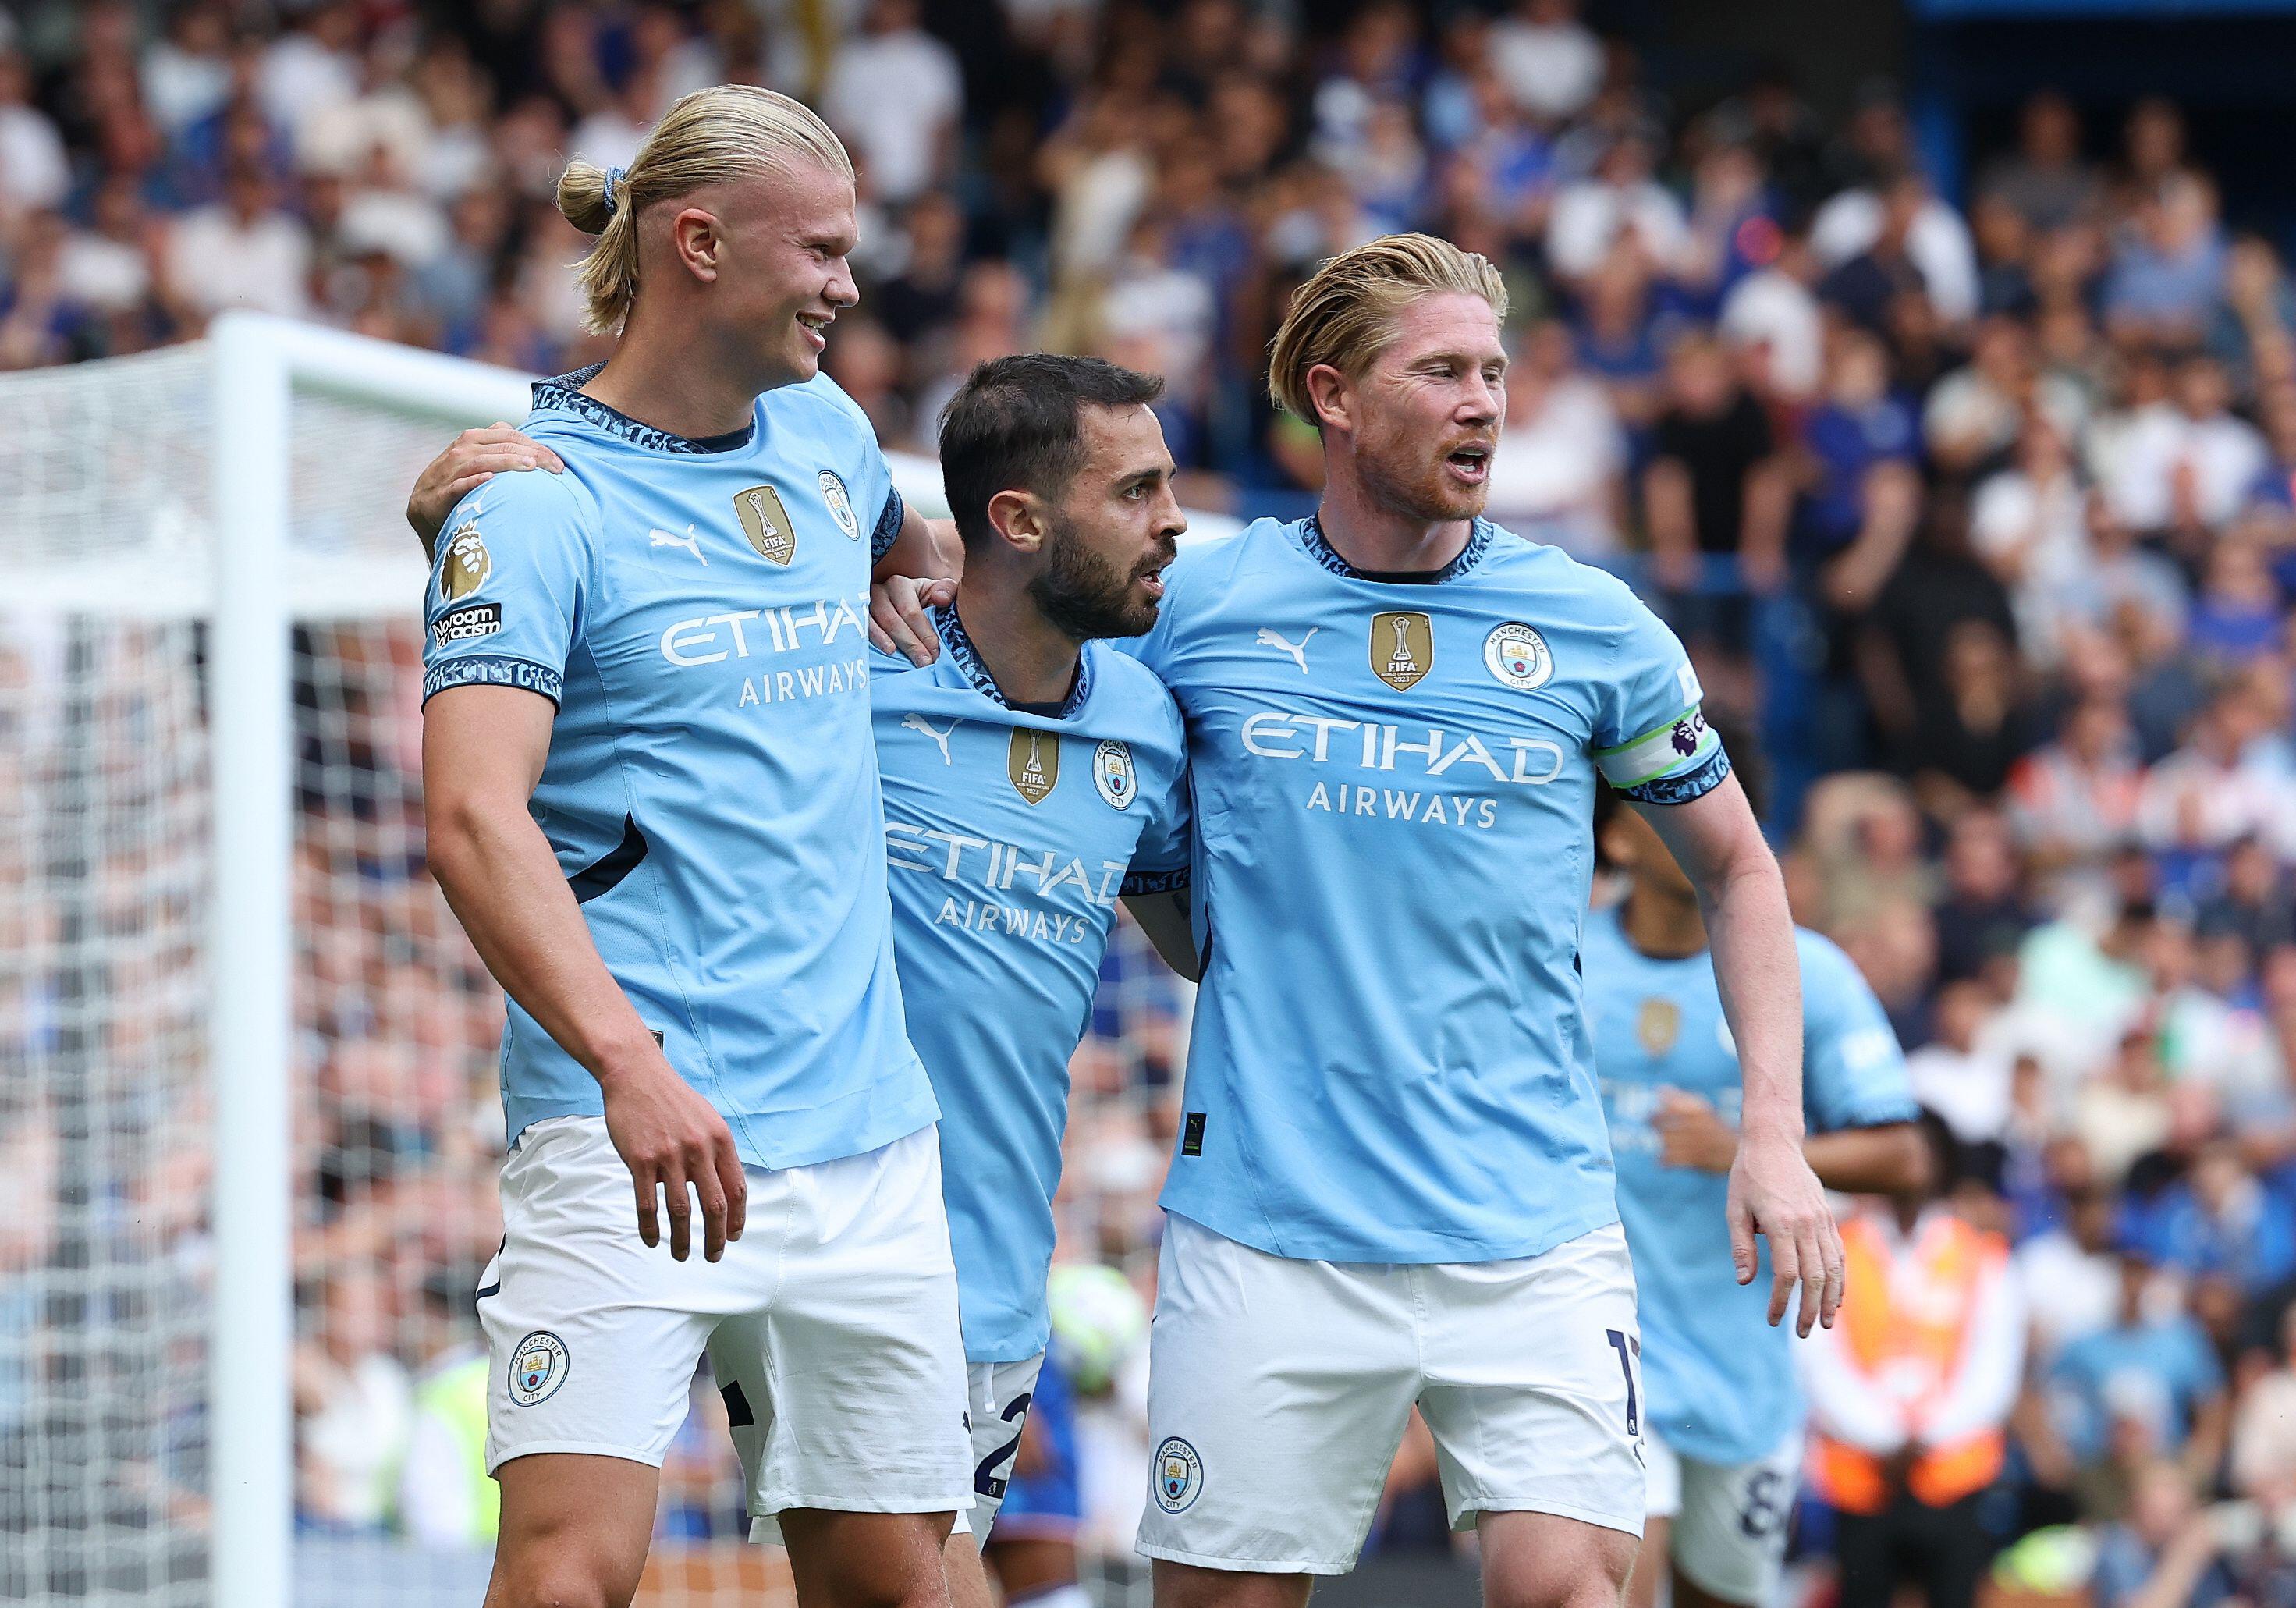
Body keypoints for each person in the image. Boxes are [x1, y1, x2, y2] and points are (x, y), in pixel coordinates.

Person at [881, 233, 1842, 1608]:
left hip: (1530, 1221)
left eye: (1493, 373)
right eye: (1440, 372)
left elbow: (1739, 870)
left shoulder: (1593, 625)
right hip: (1265, 1223)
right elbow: (1063, 705)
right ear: (1331, 396)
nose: (1482, 403)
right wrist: (888, 570)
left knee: (1568, 1590)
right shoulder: (1191, 606)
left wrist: (1773, 1135)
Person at [409, 351, 1197, 1608]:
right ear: (1018, 518)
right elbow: (610, 690)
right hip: (757, 1155)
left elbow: (1204, 941)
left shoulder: (1147, 723)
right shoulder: (834, 668)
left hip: (979, 1247)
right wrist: (472, 545)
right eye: (1137, 489)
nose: (1174, 520)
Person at [415, 87, 967, 1608]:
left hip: (866, 1138)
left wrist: (898, 570)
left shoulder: (828, 431)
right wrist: (625, 1064)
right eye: (822, 252)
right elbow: (470, 814)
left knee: (899, 1586)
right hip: (634, 1128)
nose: (847, 286)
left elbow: (903, 543)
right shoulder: (525, 505)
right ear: (699, 244)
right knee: (567, 1574)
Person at [1587, 732, 1924, 1608]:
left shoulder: (1809, 972)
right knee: (1614, 1584)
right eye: (1664, 802)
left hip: (1744, 1365)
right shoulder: (1564, 964)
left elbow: (1903, 1154)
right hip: (1603, 1349)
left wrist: (1753, 1151)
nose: (1695, 819)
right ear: (1616, 835)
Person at [1801, 1113, 2027, 1608]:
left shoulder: (1981, 1254)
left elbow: (1993, 1374)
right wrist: (1884, 1436)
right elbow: (1818, 1363)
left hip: (1954, 1475)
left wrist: (1923, 1437)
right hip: (1862, 1479)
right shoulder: (1838, 1247)